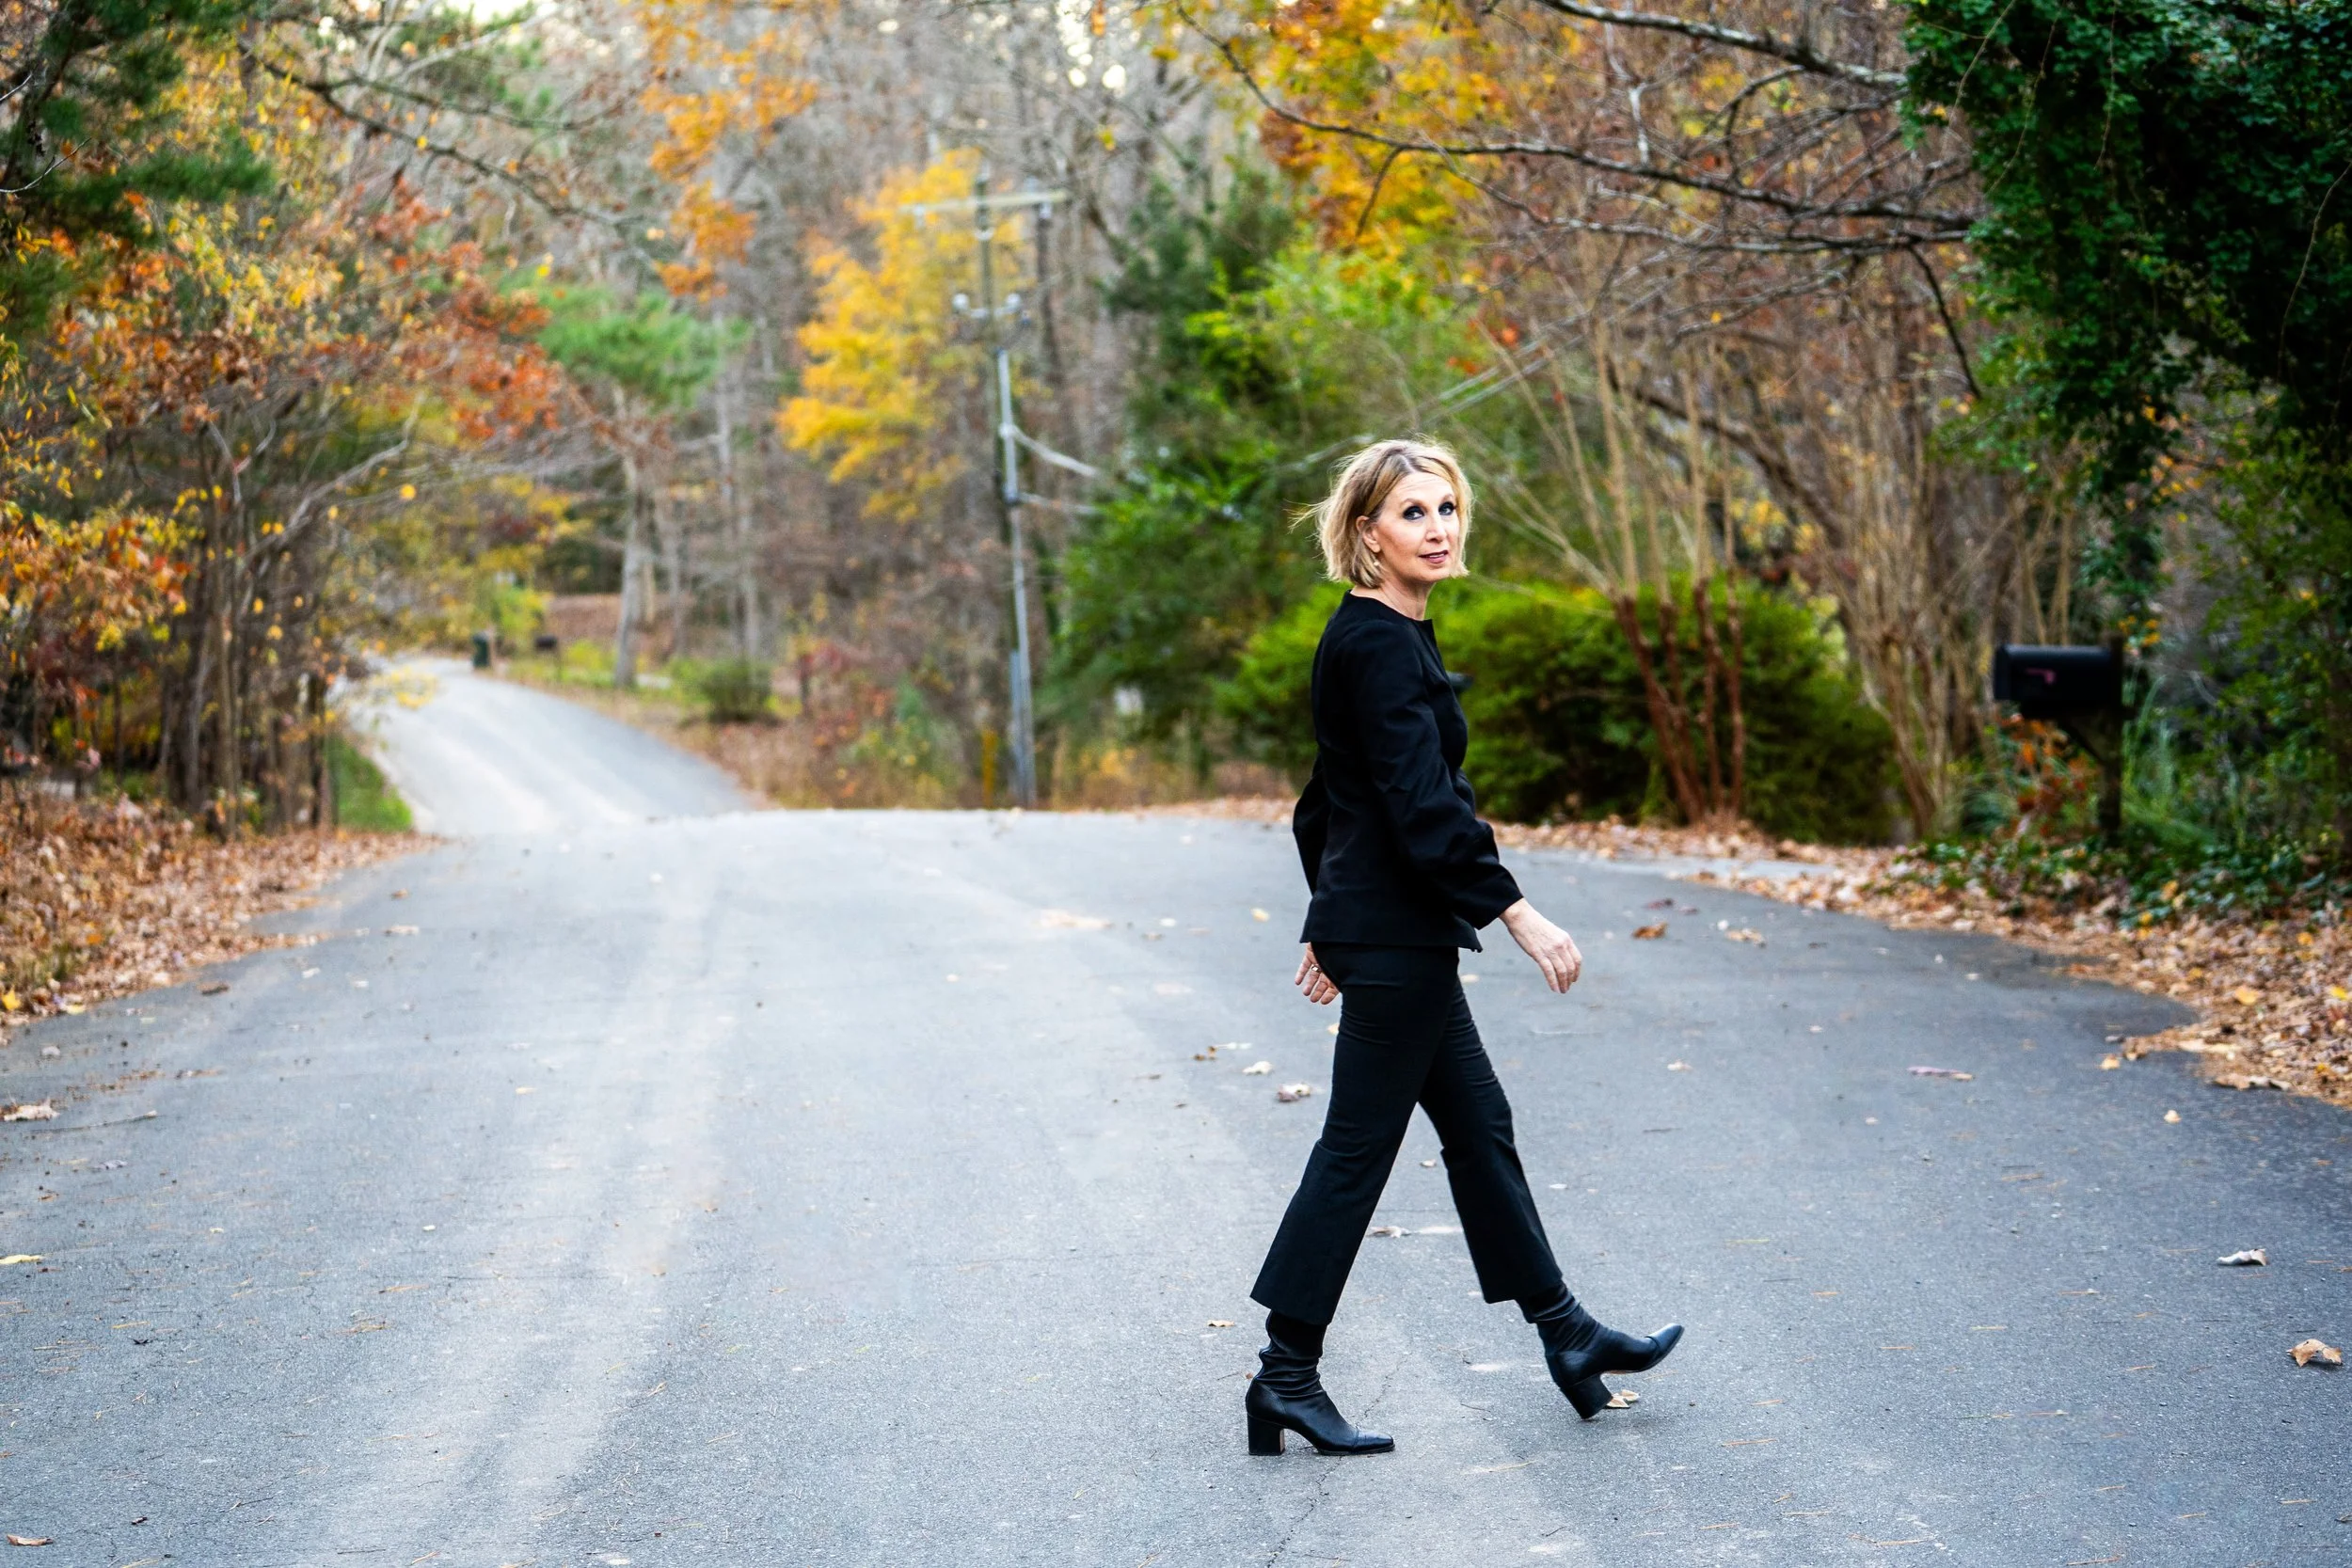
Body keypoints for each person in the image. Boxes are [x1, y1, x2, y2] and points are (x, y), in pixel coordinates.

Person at [1245, 437, 1683, 1458]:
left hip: (1391, 931)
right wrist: (1515, 911)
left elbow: (1326, 799)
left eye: (1446, 508)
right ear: (1368, 532)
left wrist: (1330, 916)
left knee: (1480, 1127)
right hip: (1396, 939)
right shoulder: (1376, 642)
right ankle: (1285, 1373)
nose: (1437, 528)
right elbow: (1421, 807)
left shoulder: (1387, 633)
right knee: (1356, 1151)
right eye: (1412, 512)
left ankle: (1567, 1334)